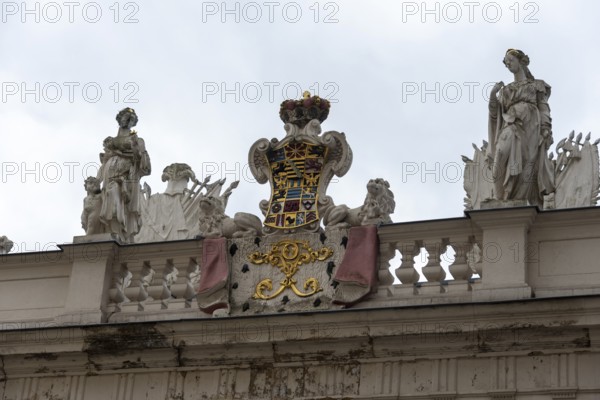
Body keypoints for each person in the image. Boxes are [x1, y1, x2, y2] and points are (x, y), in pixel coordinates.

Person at [487, 49, 555, 206]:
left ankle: (519, 200)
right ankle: (500, 197)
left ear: (521, 61)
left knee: (528, 161)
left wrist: (545, 128)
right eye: (506, 61)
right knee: (500, 153)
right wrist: (492, 95)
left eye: (510, 59)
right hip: (511, 123)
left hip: (532, 124)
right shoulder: (506, 90)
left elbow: (543, 107)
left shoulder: (536, 85)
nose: (508, 63)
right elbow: (495, 113)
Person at [97, 108, 151, 242]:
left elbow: (144, 163)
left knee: (120, 199)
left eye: (131, 119)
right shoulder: (110, 141)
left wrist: (135, 148)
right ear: (119, 119)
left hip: (128, 176)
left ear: (134, 123)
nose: (128, 120)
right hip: (110, 172)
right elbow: (104, 160)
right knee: (110, 197)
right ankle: (112, 231)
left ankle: (122, 234)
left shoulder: (137, 140)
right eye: (126, 117)